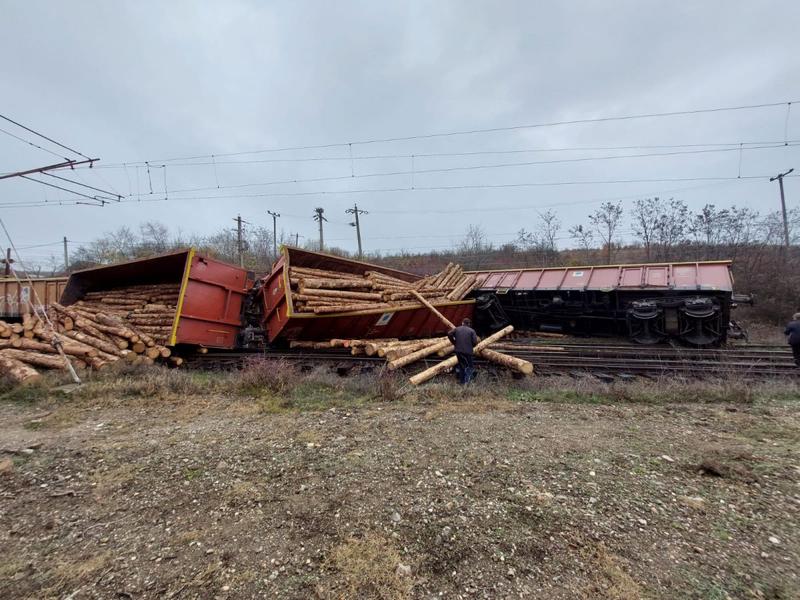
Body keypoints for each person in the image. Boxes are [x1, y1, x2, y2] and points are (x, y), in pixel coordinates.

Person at [448, 318, 479, 384]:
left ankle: (462, 382)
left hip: (458, 351)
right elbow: (475, 342)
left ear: (462, 323)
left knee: (461, 366)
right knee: (469, 366)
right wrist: (471, 346)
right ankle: (467, 382)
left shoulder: (457, 329)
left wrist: (454, 342)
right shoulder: (472, 331)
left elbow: (449, 333)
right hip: (468, 352)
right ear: (469, 324)